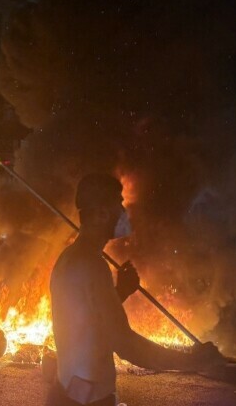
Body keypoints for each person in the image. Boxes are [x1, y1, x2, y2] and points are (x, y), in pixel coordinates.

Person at [49, 174, 222, 406]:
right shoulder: (91, 265)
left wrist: (120, 292)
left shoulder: (69, 259)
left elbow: (87, 321)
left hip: (68, 393)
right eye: (118, 204)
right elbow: (126, 345)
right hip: (88, 401)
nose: (123, 211)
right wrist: (192, 361)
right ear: (101, 213)